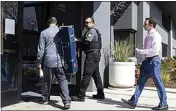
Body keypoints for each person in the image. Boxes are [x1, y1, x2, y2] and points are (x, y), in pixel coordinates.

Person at [121, 17, 168, 110]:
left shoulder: (156, 35)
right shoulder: (148, 35)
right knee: (140, 82)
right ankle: (133, 101)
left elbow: (155, 50)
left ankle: (164, 104)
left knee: (158, 83)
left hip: (154, 61)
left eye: (145, 24)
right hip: (147, 61)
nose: (143, 25)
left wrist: (141, 51)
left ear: (151, 25)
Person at [37, 17, 71, 109]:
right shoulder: (61, 31)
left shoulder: (44, 33)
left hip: (48, 61)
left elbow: (41, 50)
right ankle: (66, 101)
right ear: (56, 23)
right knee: (62, 81)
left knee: (47, 81)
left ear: (48, 23)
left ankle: (45, 99)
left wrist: (39, 61)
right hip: (60, 60)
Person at [72, 17, 105, 102]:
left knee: (86, 75)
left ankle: (81, 96)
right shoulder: (94, 31)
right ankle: (100, 93)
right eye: (85, 22)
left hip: (92, 55)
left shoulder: (91, 31)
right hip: (95, 55)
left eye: (88, 22)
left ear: (92, 23)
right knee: (96, 75)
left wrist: (77, 40)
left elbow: (86, 42)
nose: (86, 24)